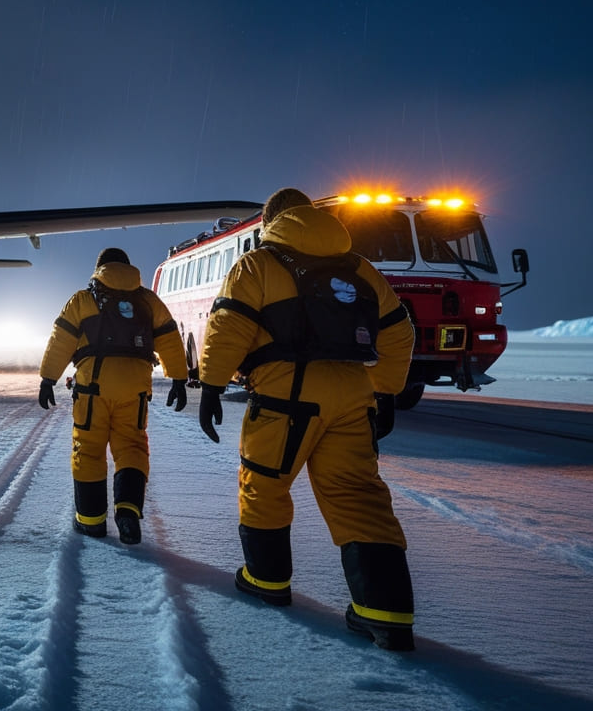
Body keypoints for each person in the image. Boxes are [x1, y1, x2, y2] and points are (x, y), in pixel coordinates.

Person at [196, 188, 419, 651]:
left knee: (265, 484)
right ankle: (386, 612)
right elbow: (399, 330)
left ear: (272, 221)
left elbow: (228, 323)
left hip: (284, 398)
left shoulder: (257, 264)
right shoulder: (359, 269)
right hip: (353, 398)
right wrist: (386, 391)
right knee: (359, 496)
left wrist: (212, 384)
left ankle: (267, 579)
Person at [39, 247, 191, 545]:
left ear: (100, 269)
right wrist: (179, 379)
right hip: (134, 388)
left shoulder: (83, 299)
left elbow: (61, 339)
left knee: (89, 448)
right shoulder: (148, 301)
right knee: (132, 447)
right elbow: (171, 339)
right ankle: (128, 512)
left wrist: (47, 378)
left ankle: (91, 521)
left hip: (93, 388)